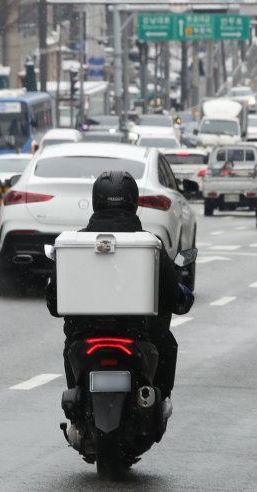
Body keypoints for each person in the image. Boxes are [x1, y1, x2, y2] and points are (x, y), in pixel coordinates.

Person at [46, 170, 193, 401]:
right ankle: (159, 401)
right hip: (138, 334)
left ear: (96, 201)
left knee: (71, 346)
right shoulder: (149, 243)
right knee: (167, 344)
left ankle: (77, 402)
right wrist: (180, 297)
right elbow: (173, 297)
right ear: (133, 202)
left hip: (83, 334)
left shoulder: (74, 243)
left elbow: (54, 305)